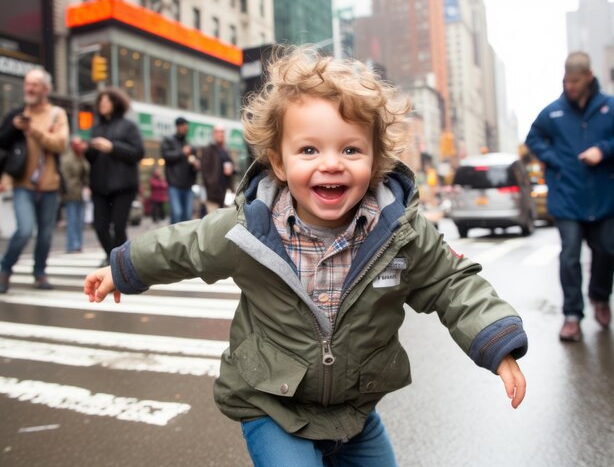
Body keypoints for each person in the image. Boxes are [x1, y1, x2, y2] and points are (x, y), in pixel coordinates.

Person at [85, 48, 527, 466]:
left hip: (353, 409)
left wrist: (495, 342)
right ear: (278, 163)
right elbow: (185, 246)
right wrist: (122, 269)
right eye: (309, 150)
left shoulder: (402, 232)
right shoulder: (249, 229)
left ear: (375, 162)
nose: (331, 164)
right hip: (272, 404)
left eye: (350, 149)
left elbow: (450, 282)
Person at [526, 51, 614, 342]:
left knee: (607, 250)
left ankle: (600, 296)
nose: (570, 86)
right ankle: (572, 316)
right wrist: (554, 158)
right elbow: (533, 138)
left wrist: (603, 150)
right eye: (566, 80)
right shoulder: (553, 113)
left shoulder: (613, 108)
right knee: (569, 255)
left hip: (605, 197)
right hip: (567, 197)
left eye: (576, 81)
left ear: (589, 78)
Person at [0, 68, 69, 293]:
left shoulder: (57, 114)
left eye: (35, 84)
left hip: (50, 185)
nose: (29, 88)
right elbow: (3, 143)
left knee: (46, 234)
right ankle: (5, 269)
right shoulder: (16, 114)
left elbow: (60, 144)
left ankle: (40, 272)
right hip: (23, 184)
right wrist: (14, 128)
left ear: (46, 89)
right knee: (24, 230)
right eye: (27, 84)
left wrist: (33, 131)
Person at [74, 87, 144, 266]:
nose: (103, 104)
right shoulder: (96, 128)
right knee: (99, 226)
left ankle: (119, 263)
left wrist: (112, 147)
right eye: (101, 102)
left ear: (116, 103)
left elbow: (138, 153)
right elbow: (93, 160)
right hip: (100, 186)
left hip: (123, 185)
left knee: (119, 227)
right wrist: (86, 150)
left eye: (107, 101)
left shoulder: (129, 126)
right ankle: (111, 257)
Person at [160, 117, 198, 223]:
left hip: (188, 186)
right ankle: (173, 237)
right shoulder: (168, 140)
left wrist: (196, 165)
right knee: (177, 214)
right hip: (174, 185)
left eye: (187, 127)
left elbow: (194, 162)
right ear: (178, 127)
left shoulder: (189, 144)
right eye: (184, 127)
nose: (186, 129)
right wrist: (182, 153)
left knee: (187, 216)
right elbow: (166, 156)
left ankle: (184, 239)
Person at [62, 138, 90, 253]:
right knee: (72, 220)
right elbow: (66, 177)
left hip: (81, 193)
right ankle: (72, 244)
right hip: (71, 193)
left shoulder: (82, 157)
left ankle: (78, 244)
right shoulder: (68, 159)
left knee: (80, 220)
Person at [200, 124, 233, 214]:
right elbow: (204, 171)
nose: (220, 134)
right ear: (213, 134)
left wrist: (232, 170)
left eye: (222, 132)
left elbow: (230, 168)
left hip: (224, 193)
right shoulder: (208, 150)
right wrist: (211, 186)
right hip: (213, 194)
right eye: (218, 132)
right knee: (213, 221)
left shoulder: (225, 150)